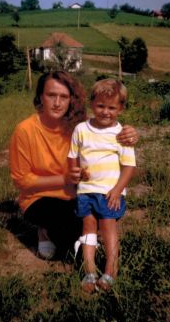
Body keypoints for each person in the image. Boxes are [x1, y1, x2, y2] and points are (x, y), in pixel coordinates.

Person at [9, 71, 138, 261]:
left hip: (77, 193)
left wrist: (131, 133)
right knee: (71, 234)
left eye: (64, 96)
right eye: (51, 95)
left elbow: (109, 129)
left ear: (71, 100)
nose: (57, 102)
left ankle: (79, 239)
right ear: (40, 97)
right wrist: (64, 179)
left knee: (105, 210)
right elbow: (22, 181)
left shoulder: (79, 126)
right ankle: (44, 231)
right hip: (39, 198)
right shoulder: (25, 130)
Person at [68, 78, 136, 292]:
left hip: (109, 193)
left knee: (108, 228)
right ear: (92, 104)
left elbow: (129, 167)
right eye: (100, 106)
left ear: (121, 109)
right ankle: (89, 272)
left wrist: (117, 191)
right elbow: (72, 156)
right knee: (88, 228)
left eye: (112, 107)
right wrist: (76, 170)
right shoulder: (81, 129)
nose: (106, 112)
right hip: (86, 191)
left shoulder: (122, 135)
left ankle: (110, 270)